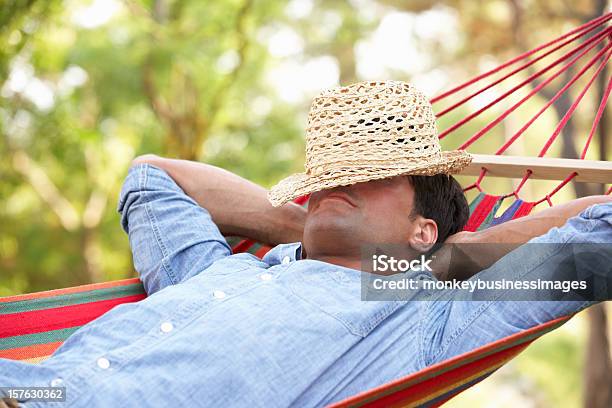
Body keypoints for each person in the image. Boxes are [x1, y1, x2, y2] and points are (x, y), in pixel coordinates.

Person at [0, 81, 610, 407]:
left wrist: (453, 258)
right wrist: (303, 228)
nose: (339, 182)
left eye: (371, 172)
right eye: (331, 175)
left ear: (423, 230)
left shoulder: (429, 321)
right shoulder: (215, 272)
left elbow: (600, 234)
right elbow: (152, 176)